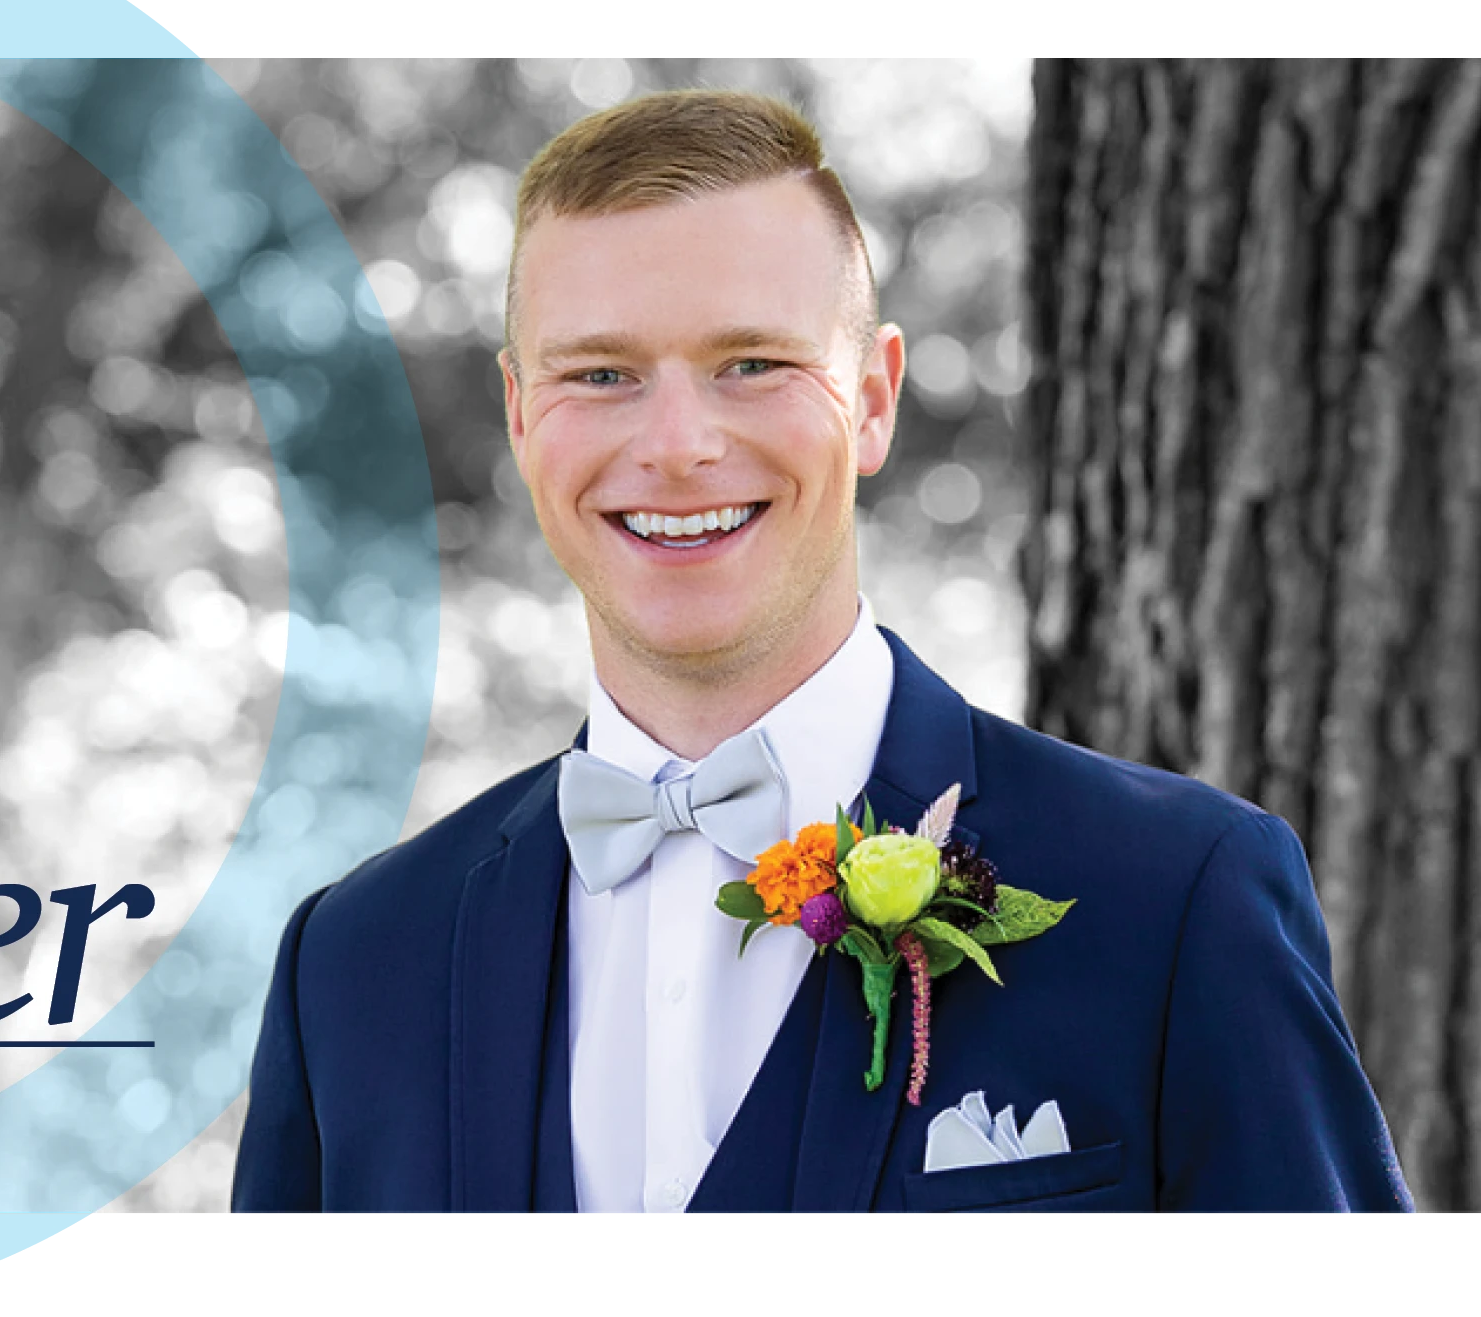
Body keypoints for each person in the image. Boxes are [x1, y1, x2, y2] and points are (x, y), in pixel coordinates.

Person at [229, 90, 1411, 1215]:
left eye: (752, 363)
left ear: (875, 398)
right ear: (521, 414)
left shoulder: (1177, 899)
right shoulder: (352, 968)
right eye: (600, 374)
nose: (678, 444)